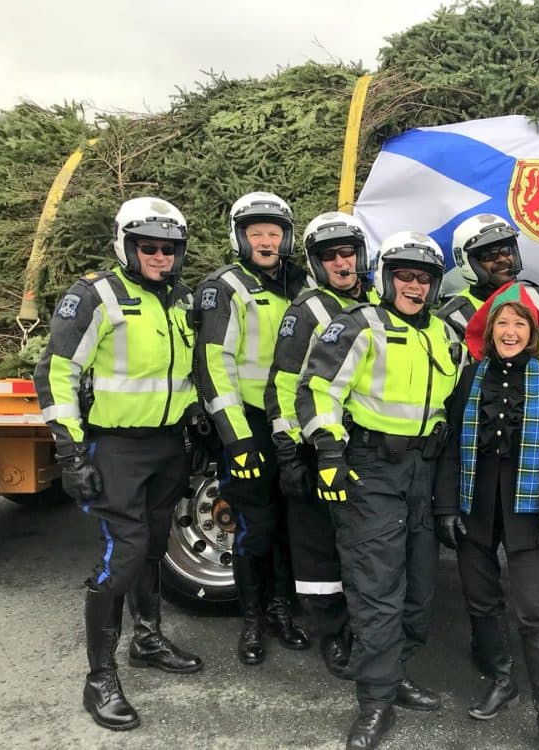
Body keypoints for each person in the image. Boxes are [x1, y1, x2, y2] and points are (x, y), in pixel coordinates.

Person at [34, 196, 203, 731]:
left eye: (169, 248)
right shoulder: (95, 296)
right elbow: (56, 373)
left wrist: (197, 417)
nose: (159, 256)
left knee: (153, 546)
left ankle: (147, 640)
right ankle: (99, 677)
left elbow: (187, 371)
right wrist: (71, 450)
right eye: (148, 247)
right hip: (116, 447)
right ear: (125, 246)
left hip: (167, 447)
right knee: (122, 555)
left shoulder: (181, 301)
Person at [298, 231, 461, 750]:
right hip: (372, 468)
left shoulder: (444, 334)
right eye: (405, 276)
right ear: (387, 277)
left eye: (424, 279)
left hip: (425, 471)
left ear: (435, 285)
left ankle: (396, 674)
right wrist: (328, 451)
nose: (414, 286)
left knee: (419, 588)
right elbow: (317, 388)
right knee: (376, 589)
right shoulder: (357, 325)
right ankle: (374, 702)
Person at [435, 284, 539, 750]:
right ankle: (501, 678)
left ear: (532, 332)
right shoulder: (470, 379)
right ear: (489, 329)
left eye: (519, 323)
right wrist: (448, 506)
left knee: (535, 608)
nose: (510, 331)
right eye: (502, 322)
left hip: (528, 510)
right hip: (476, 506)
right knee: (481, 600)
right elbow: (452, 448)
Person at [439, 213, 539, 658]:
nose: (502, 259)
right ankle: (491, 655)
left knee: (536, 556)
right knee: (479, 563)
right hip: (477, 448)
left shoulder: (533, 297)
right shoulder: (452, 312)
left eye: (505, 249)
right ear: (468, 262)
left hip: (532, 438)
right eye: (488, 254)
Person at [195, 191, 310, 665]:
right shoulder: (225, 286)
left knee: (287, 523)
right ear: (240, 237)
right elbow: (213, 365)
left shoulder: (301, 283)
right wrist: (236, 439)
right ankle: (252, 620)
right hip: (249, 423)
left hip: (292, 421)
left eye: (274, 232)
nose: (267, 240)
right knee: (254, 527)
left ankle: (282, 611)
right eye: (257, 233)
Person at [265, 211, 376, 678]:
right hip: (316, 444)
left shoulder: (376, 300)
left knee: (361, 544)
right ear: (315, 263)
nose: (342, 263)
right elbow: (283, 387)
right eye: (330, 257)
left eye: (348, 253)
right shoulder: (306, 311)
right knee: (318, 549)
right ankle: (331, 633)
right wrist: (290, 451)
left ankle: (362, 627)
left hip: (362, 444)